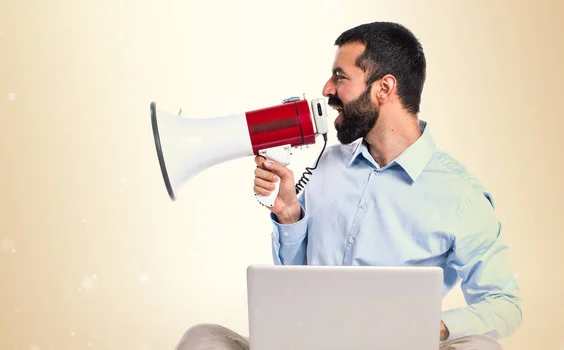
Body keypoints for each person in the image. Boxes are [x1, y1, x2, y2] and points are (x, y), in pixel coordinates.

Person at [175, 21, 522, 350]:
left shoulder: (460, 194)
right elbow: (294, 282)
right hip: (308, 342)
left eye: (340, 78)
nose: (327, 90)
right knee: (202, 338)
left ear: (384, 88)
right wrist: (289, 215)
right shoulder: (328, 164)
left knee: (483, 346)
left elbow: (504, 305)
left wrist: (436, 326)